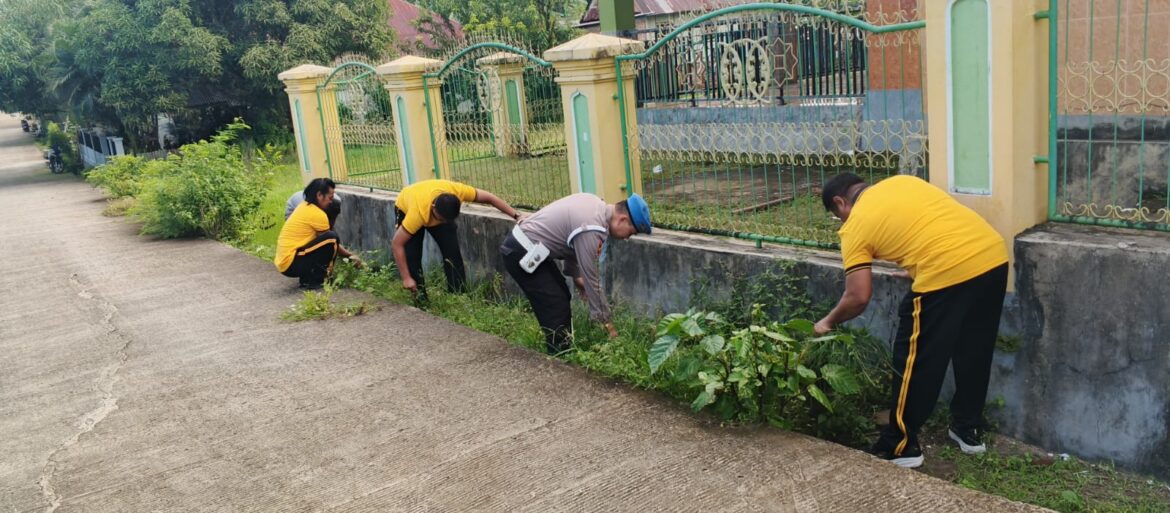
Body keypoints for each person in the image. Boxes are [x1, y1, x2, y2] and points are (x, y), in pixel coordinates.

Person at [814, 173, 1009, 469]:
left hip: (948, 271)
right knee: (974, 350)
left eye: (837, 216)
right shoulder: (902, 182)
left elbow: (858, 296)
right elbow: (929, 225)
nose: (841, 222)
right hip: (992, 257)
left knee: (915, 359)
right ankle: (967, 429)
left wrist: (827, 322)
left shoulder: (855, 225)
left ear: (840, 202)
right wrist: (918, 264)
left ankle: (901, 445)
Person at [499, 193, 651, 354]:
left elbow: (572, 245)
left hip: (530, 250)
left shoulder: (595, 205)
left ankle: (561, 351)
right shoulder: (593, 228)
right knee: (555, 304)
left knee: (562, 294)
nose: (628, 238)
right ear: (622, 220)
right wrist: (607, 323)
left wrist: (577, 278)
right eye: (631, 232)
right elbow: (591, 278)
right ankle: (559, 357)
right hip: (521, 252)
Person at [392, 179, 524, 302]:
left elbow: (489, 198)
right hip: (408, 205)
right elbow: (397, 244)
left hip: (437, 208)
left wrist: (516, 215)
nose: (442, 222)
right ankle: (420, 299)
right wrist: (406, 278)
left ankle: (458, 297)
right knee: (412, 256)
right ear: (433, 207)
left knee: (453, 254)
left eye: (446, 220)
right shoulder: (416, 215)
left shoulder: (458, 191)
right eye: (440, 219)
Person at [274, 178, 359, 289]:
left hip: (286, 262)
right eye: (330, 198)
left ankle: (308, 279)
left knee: (323, 241)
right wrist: (351, 256)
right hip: (291, 262)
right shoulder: (317, 214)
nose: (331, 202)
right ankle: (321, 279)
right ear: (319, 195)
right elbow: (331, 244)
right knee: (332, 238)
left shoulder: (303, 206)